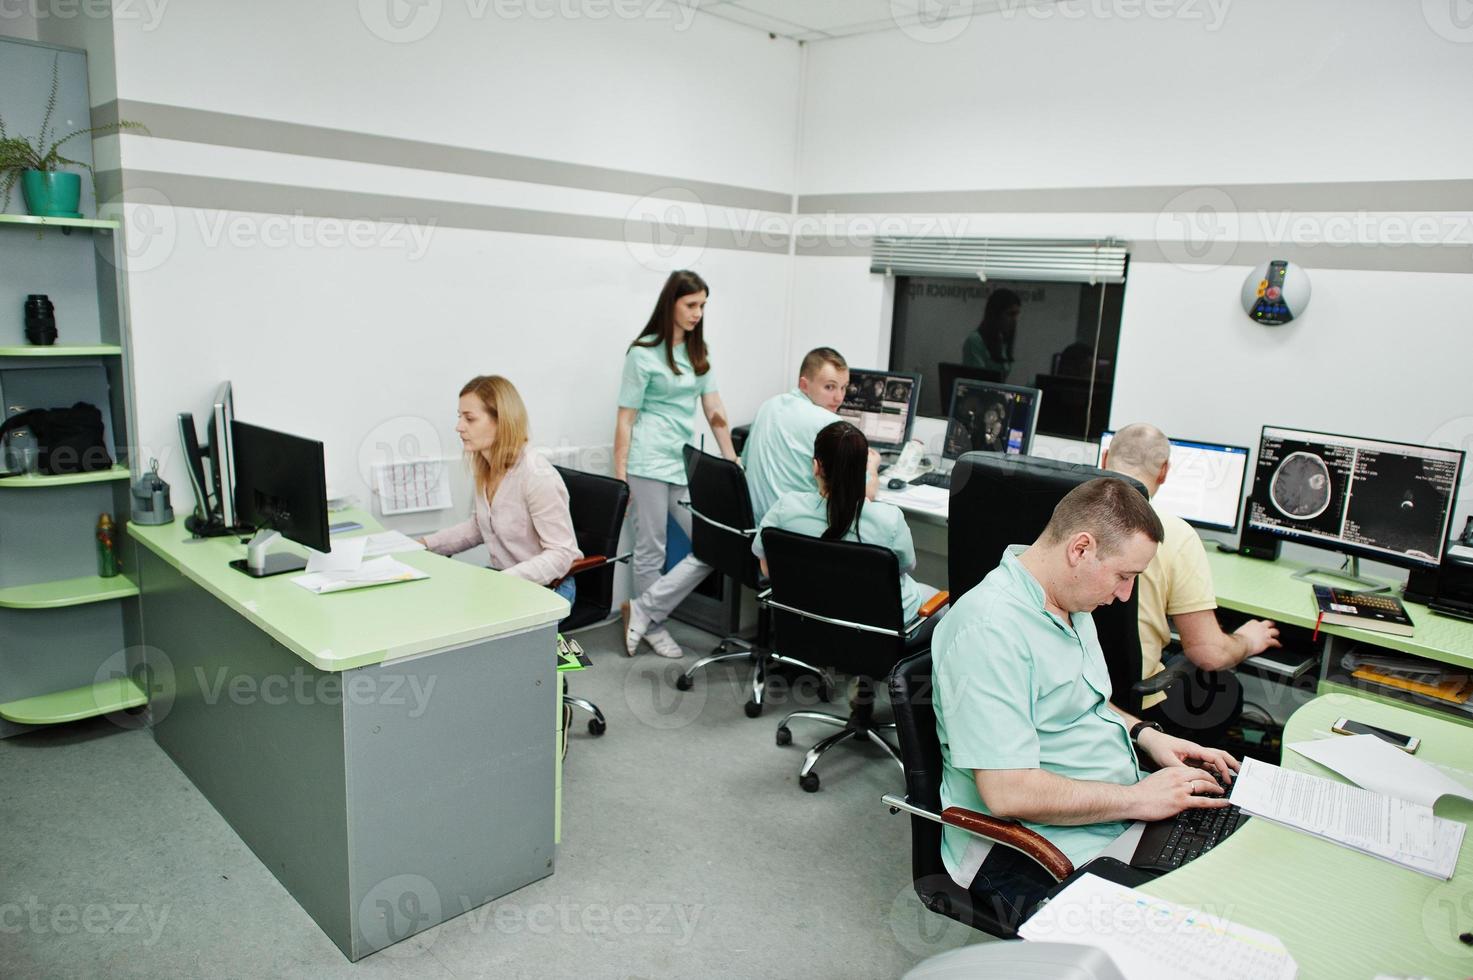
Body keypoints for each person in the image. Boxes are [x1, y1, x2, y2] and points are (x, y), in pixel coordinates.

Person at [932, 478, 1239, 924]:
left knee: (1239, 857)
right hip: (1027, 849)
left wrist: (1147, 735)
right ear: (1080, 549)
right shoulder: (989, 630)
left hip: (1110, 812)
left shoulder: (1069, 604)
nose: (1124, 595)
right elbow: (1007, 792)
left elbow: (1081, 700)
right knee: (1198, 930)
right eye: (1124, 576)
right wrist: (1138, 799)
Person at [1103, 423, 1281, 741]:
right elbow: (1209, 654)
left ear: (1105, 458)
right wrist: (1247, 641)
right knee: (1226, 689)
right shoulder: (1172, 533)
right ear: (1164, 471)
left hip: (1068, 686)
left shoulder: (1063, 517)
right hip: (1133, 699)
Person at [616, 269, 738, 659]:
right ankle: (654, 627)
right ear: (671, 304)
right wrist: (621, 474)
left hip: (683, 462)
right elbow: (625, 418)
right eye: (691, 304)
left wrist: (731, 459)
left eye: (703, 305)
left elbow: (714, 408)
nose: (698, 312)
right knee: (651, 548)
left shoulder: (698, 354)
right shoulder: (642, 353)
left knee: (711, 545)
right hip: (647, 460)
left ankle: (645, 610)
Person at [752, 421, 939, 625]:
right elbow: (904, 567)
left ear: (816, 466)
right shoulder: (889, 520)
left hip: (809, 621)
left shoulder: (785, 509)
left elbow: (768, 569)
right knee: (944, 605)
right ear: (862, 470)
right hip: (877, 630)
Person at [422, 375, 581, 601]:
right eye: (460, 417)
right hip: (506, 582)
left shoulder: (536, 475)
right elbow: (480, 527)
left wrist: (502, 580)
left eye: (470, 418)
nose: (459, 427)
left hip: (548, 589)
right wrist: (424, 544)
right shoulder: (486, 468)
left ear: (501, 420)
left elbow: (561, 554)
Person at [742, 347, 879, 523]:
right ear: (804, 385)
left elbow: (744, 463)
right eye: (829, 387)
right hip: (797, 531)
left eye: (844, 388)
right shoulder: (829, 423)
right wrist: (873, 467)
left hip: (760, 529)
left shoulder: (768, 405)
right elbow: (865, 493)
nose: (839, 397)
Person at [961, 288, 1021, 380]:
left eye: (1016, 314)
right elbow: (977, 380)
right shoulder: (975, 340)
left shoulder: (1001, 339)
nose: (1014, 320)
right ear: (996, 314)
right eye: (1010, 314)